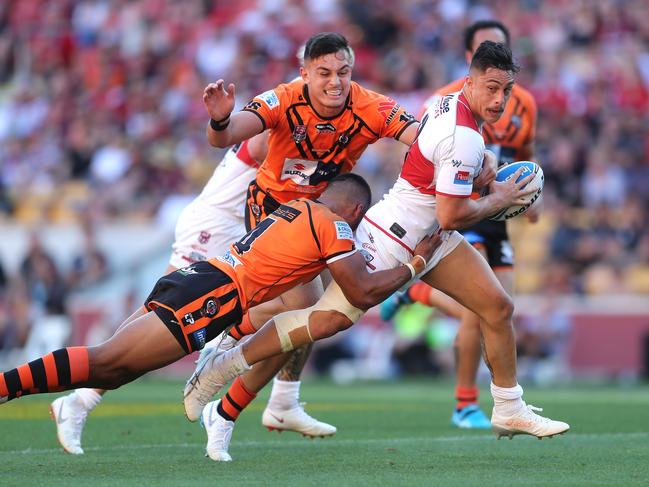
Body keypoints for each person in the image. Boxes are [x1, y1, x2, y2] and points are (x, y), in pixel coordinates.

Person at [187, 41, 569, 461]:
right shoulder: (459, 134)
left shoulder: (442, 105)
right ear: (471, 81)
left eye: (507, 91)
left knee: (497, 307)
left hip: (419, 231)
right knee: (317, 318)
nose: (500, 100)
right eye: (492, 89)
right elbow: (455, 211)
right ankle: (224, 363)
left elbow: (425, 145)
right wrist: (499, 197)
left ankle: (509, 407)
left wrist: (483, 168)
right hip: (378, 231)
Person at [0, 174, 440, 464]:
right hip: (213, 295)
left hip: (203, 280)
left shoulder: (300, 208)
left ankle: (70, 401)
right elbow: (362, 289)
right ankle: (6, 387)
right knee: (106, 362)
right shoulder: (336, 225)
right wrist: (416, 262)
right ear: (355, 212)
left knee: (114, 371)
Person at [186, 31, 419, 438]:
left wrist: (462, 146)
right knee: (308, 307)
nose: (335, 81)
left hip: (325, 216)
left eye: (343, 72)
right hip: (272, 209)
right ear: (305, 74)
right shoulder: (283, 98)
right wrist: (220, 118)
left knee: (327, 312)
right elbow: (223, 136)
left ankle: (280, 400)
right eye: (324, 72)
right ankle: (225, 346)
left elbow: (421, 136)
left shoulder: (371, 106)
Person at [49, 133, 266, 454]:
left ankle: (267, 391)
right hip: (217, 226)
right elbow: (262, 149)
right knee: (163, 327)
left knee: (162, 321)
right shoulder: (283, 121)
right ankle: (81, 399)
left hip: (235, 228)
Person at [380, 20, 540, 430]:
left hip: (492, 203)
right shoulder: (446, 102)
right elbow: (423, 148)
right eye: (488, 52)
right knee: (478, 309)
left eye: (504, 52)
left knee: (501, 308)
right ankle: (466, 402)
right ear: (471, 59)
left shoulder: (523, 105)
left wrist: (528, 194)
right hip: (462, 204)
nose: (500, 94)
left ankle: (417, 293)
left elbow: (523, 150)